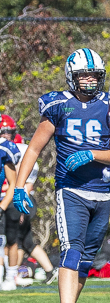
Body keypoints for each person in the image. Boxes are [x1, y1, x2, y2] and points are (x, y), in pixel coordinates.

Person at [12, 50, 110, 303]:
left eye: (95, 75)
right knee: (71, 250)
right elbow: (33, 149)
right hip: (71, 190)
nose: (91, 80)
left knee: (86, 261)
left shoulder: (109, 106)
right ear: (72, 76)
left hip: (103, 192)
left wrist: (93, 153)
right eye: (84, 75)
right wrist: (19, 186)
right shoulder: (58, 105)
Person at [1, 120, 57, 287]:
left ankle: (12, 275)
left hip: (19, 199)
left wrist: (20, 205)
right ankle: (47, 270)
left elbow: (25, 184)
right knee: (25, 242)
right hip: (12, 198)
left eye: (8, 131)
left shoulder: (21, 150)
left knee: (15, 241)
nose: (5, 135)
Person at [0, 128, 19, 287]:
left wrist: (2, 206)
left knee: (10, 239)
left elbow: (13, 183)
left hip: (5, 201)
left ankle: (10, 277)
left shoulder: (5, 150)